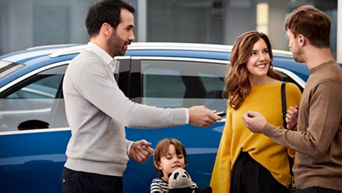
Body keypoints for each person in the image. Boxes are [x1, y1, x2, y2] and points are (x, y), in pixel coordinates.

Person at [61, 1, 221, 193]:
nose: (132, 37)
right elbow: (129, 114)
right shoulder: (89, 66)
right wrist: (187, 115)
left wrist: (126, 147)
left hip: (96, 178)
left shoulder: (99, 65)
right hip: (90, 179)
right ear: (106, 29)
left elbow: (95, 123)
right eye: (128, 29)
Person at [242, 5, 342, 193]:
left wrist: (266, 128)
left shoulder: (328, 80)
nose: (289, 45)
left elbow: (315, 145)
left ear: (301, 39)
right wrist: (298, 125)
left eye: (290, 39)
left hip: (321, 186)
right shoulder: (319, 76)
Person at [210, 31, 302, 193]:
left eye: (265, 51)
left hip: (273, 179)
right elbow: (226, 147)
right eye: (254, 53)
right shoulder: (237, 95)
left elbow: (306, 140)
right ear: (242, 59)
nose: (262, 58)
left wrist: (293, 127)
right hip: (240, 178)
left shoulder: (288, 91)